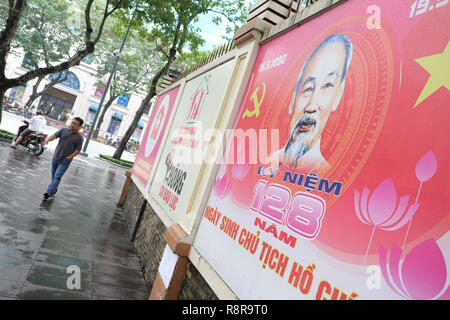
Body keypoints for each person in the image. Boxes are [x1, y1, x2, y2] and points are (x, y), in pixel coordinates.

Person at [271, 34, 353, 172]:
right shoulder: (269, 161)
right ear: (293, 99)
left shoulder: (327, 174)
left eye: (327, 86)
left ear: (338, 96)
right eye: (308, 88)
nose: (311, 107)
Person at [42, 117, 84, 200]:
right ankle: (54, 189)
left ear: (79, 127)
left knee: (57, 176)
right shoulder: (63, 130)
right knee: (54, 175)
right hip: (56, 156)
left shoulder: (79, 137)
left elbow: (78, 150)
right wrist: (47, 140)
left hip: (65, 160)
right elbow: (54, 136)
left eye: (75, 124)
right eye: (72, 122)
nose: (72, 125)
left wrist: (68, 158)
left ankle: (49, 192)